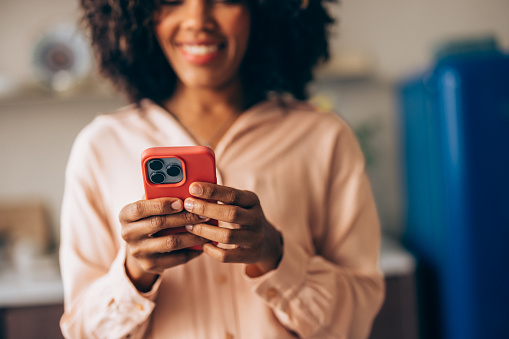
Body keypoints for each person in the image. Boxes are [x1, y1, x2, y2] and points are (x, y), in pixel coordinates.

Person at [59, 0, 385, 338]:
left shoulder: (324, 137)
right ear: (138, 15)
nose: (198, 20)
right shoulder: (101, 146)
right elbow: (82, 330)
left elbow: (356, 319)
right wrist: (134, 272)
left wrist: (275, 254)